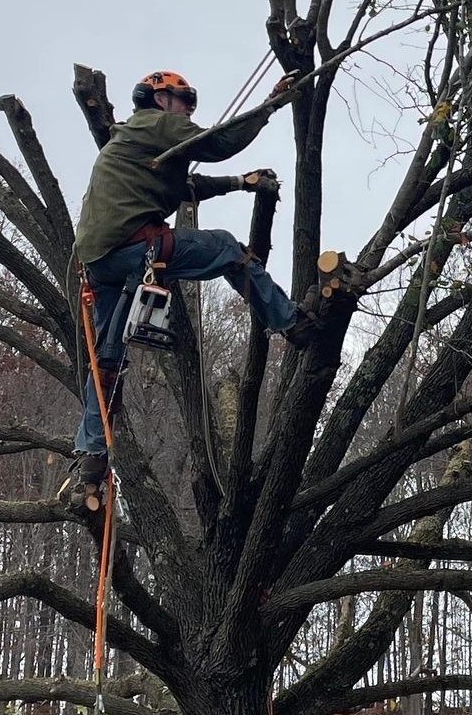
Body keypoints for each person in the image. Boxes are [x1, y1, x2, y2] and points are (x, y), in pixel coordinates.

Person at [70, 68, 300, 492]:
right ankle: (291, 322)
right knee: (228, 249)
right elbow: (217, 143)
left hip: (99, 261)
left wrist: (239, 184)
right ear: (160, 99)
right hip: (133, 248)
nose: (188, 110)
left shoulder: (133, 140)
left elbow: (184, 185)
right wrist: (270, 105)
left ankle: (92, 454)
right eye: (184, 101)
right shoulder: (159, 124)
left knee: (107, 359)